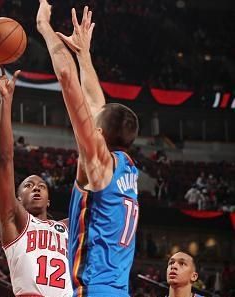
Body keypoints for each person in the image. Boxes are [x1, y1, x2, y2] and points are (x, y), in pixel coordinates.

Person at [37, 2, 139, 296]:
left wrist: (44, 27)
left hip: (93, 289)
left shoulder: (98, 163)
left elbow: (68, 81)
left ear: (99, 133)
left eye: (96, 123)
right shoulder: (127, 166)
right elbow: (97, 105)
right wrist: (84, 54)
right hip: (118, 289)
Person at [0, 64, 72, 297]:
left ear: (49, 200)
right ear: (17, 198)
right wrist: (6, 100)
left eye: (42, 186)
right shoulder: (15, 220)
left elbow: (96, 201)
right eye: (29, 186)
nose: (36, 189)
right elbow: (4, 158)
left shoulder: (65, 227)